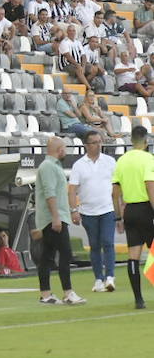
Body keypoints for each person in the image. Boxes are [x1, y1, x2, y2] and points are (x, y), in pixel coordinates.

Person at [36, 135, 85, 305]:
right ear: (60, 150)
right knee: (65, 253)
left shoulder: (49, 166)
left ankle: (46, 294)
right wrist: (56, 217)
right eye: (64, 148)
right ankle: (68, 293)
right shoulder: (49, 167)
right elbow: (50, 193)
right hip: (54, 219)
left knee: (47, 256)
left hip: (52, 218)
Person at [69, 129, 117, 294]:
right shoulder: (79, 165)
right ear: (86, 145)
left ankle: (110, 277)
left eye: (99, 142)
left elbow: (117, 186)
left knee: (108, 242)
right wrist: (73, 210)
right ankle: (98, 278)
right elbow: (72, 189)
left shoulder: (110, 162)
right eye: (94, 142)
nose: (98, 145)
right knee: (95, 245)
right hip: (88, 211)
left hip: (107, 209)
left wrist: (120, 207)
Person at [111, 123, 154, 309]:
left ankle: (138, 299)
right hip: (146, 209)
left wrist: (118, 217)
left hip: (130, 212)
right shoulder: (148, 159)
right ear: (146, 141)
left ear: (131, 141)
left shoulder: (122, 160)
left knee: (133, 255)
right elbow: (150, 185)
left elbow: (114, 193)